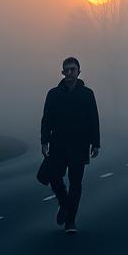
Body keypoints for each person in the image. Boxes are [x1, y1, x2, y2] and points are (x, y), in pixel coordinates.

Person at [40, 57, 100, 233]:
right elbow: (47, 119)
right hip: (58, 144)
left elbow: (93, 119)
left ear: (79, 72)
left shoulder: (87, 94)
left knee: (76, 183)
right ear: (62, 72)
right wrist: (44, 141)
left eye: (72, 69)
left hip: (80, 145)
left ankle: (70, 221)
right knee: (53, 177)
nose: (69, 73)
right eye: (66, 70)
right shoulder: (53, 94)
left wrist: (95, 143)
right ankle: (64, 203)